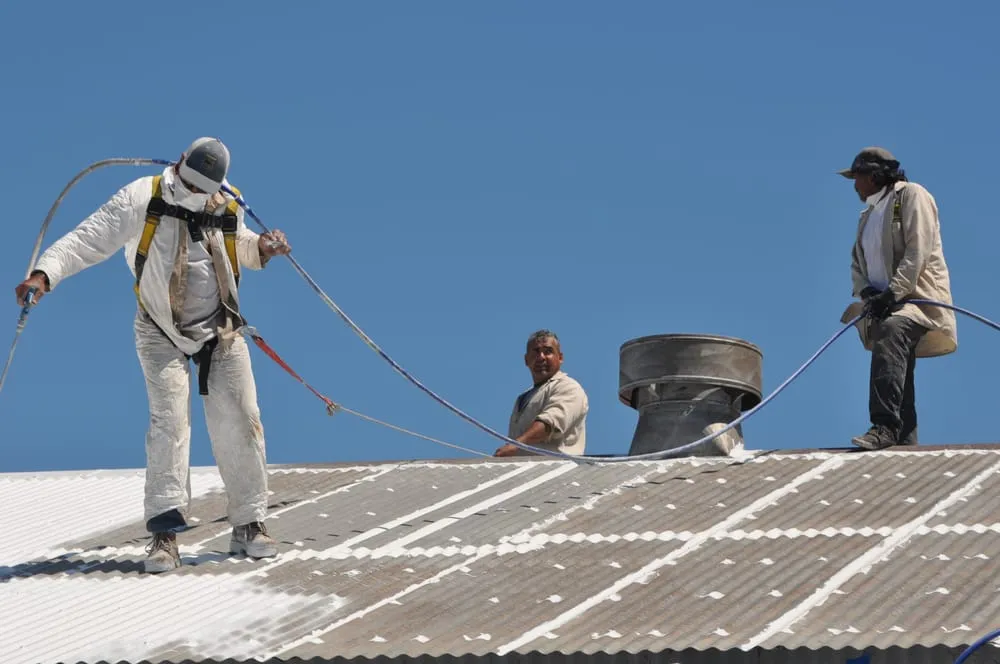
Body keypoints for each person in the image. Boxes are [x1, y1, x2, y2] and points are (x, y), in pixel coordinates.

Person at [14, 137, 292, 573]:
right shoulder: (143, 197)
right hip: (159, 328)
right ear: (180, 163)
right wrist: (43, 274)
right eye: (193, 184)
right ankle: (165, 535)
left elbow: (240, 246)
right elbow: (90, 238)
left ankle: (249, 523)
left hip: (220, 327)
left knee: (242, 418)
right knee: (169, 424)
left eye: (205, 189)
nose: (198, 194)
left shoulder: (227, 202)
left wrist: (264, 249)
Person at [837, 147, 957, 450]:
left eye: (858, 177)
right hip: (886, 307)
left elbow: (918, 252)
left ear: (875, 176)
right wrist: (867, 293)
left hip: (918, 302)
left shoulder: (912, 196)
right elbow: (856, 262)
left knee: (892, 334)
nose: (854, 185)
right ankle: (904, 442)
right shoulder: (868, 216)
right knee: (897, 357)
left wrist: (892, 294)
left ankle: (884, 427)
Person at [495, 329, 589, 457]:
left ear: (560, 358)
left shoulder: (568, 387)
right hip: (525, 473)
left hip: (557, 471)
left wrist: (516, 444)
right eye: (536, 352)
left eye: (548, 351)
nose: (541, 357)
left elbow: (550, 423)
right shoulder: (523, 398)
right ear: (526, 360)